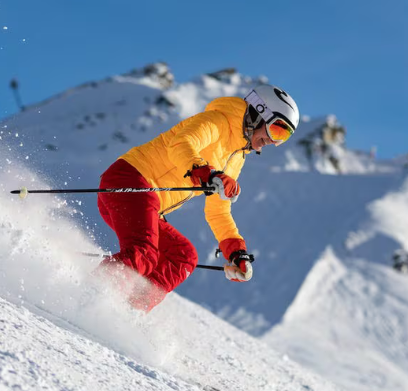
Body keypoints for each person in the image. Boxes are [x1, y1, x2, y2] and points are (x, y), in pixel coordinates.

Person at [97, 84, 300, 311]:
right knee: (144, 254)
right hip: (131, 180)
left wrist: (235, 251)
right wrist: (206, 172)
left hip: (148, 204)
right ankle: (91, 293)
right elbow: (181, 144)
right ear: (259, 113)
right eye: (276, 130)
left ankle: (127, 310)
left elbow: (218, 211)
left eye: (284, 137)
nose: (274, 141)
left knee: (183, 256)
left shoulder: (236, 157)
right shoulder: (217, 121)